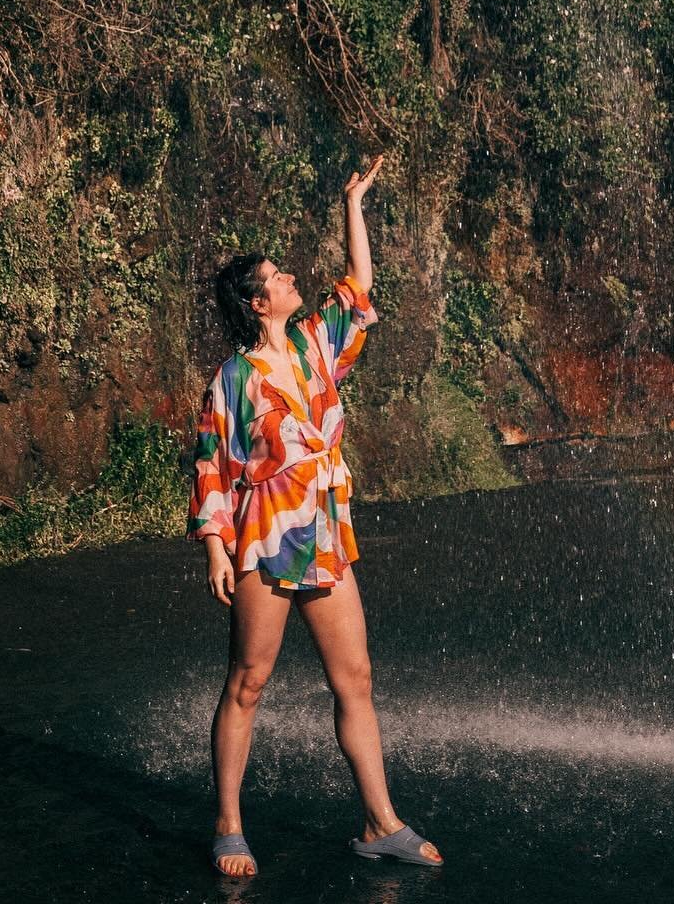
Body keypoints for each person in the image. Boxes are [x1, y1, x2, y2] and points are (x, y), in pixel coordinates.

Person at [188, 154, 444, 878]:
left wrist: (353, 201)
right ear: (256, 301)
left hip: (324, 532)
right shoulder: (233, 379)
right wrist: (215, 549)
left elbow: (359, 289)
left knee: (355, 678)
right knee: (247, 681)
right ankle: (229, 824)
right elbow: (211, 462)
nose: (291, 277)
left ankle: (380, 821)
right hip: (266, 538)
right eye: (277, 277)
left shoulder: (314, 346)